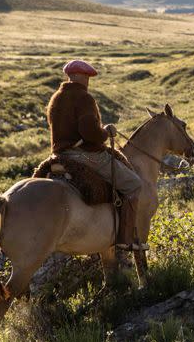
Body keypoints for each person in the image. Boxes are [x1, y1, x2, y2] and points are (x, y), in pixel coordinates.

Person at [46, 59, 144, 250]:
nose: (88, 81)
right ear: (82, 77)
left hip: (60, 155)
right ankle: (125, 239)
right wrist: (106, 132)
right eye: (87, 77)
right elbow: (89, 132)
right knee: (133, 185)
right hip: (83, 155)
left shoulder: (56, 98)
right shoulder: (84, 98)